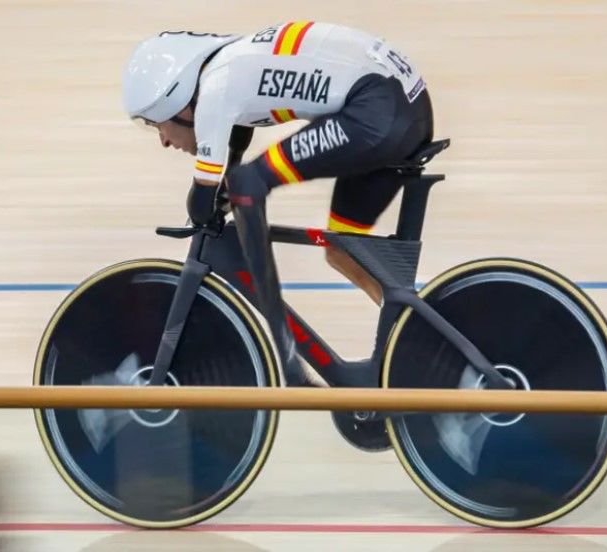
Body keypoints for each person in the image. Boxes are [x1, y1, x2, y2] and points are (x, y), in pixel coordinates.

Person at [121, 22, 434, 386]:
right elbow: (233, 150)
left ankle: (289, 362)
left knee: (248, 184)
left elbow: (204, 195)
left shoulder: (215, 90)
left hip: (378, 109)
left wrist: (209, 204)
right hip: (395, 107)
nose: (162, 140)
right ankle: (415, 336)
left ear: (178, 105)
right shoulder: (227, 71)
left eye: (156, 124)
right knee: (342, 249)